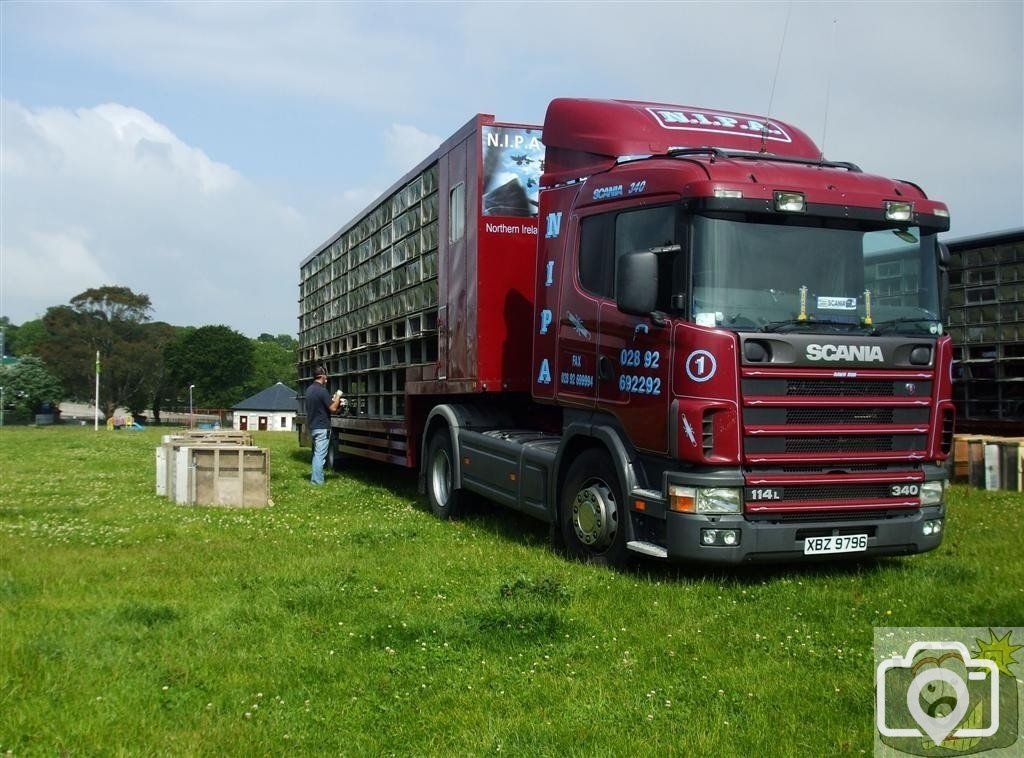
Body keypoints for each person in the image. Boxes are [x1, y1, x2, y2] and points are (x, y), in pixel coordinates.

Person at [306, 365, 344, 485]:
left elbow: (323, 407)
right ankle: (317, 481)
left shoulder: (309, 390)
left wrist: (337, 405)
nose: (326, 380)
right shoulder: (322, 391)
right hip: (322, 427)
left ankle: (315, 478)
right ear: (322, 376)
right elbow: (332, 408)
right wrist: (338, 396)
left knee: (316, 454)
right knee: (320, 456)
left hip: (313, 426)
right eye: (326, 377)